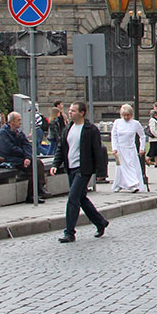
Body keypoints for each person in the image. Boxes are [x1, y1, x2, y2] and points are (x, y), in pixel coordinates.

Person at [50, 101, 109, 243]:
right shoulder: (68, 128)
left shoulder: (90, 129)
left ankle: (69, 232)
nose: (70, 113)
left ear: (82, 113)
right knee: (81, 198)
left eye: (73, 111)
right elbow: (61, 147)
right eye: (70, 110)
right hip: (70, 167)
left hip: (83, 169)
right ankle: (100, 222)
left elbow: (97, 150)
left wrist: (101, 172)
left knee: (73, 198)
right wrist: (55, 164)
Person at [0, 112, 48, 202]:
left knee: (37, 163)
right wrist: (24, 156)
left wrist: (27, 157)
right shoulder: (2, 134)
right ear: (11, 122)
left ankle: (40, 188)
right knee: (32, 169)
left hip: (22, 158)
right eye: (18, 120)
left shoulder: (18, 132)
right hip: (10, 159)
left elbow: (27, 145)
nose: (20, 122)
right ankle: (33, 194)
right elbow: (9, 150)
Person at [110, 104, 147, 192]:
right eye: (124, 115)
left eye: (128, 115)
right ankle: (121, 183)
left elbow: (142, 136)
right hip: (120, 149)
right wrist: (114, 148)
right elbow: (114, 135)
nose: (126, 117)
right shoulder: (117, 122)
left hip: (130, 148)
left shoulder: (135, 124)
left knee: (131, 167)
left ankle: (133, 184)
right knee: (120, 167)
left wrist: (142, 148)